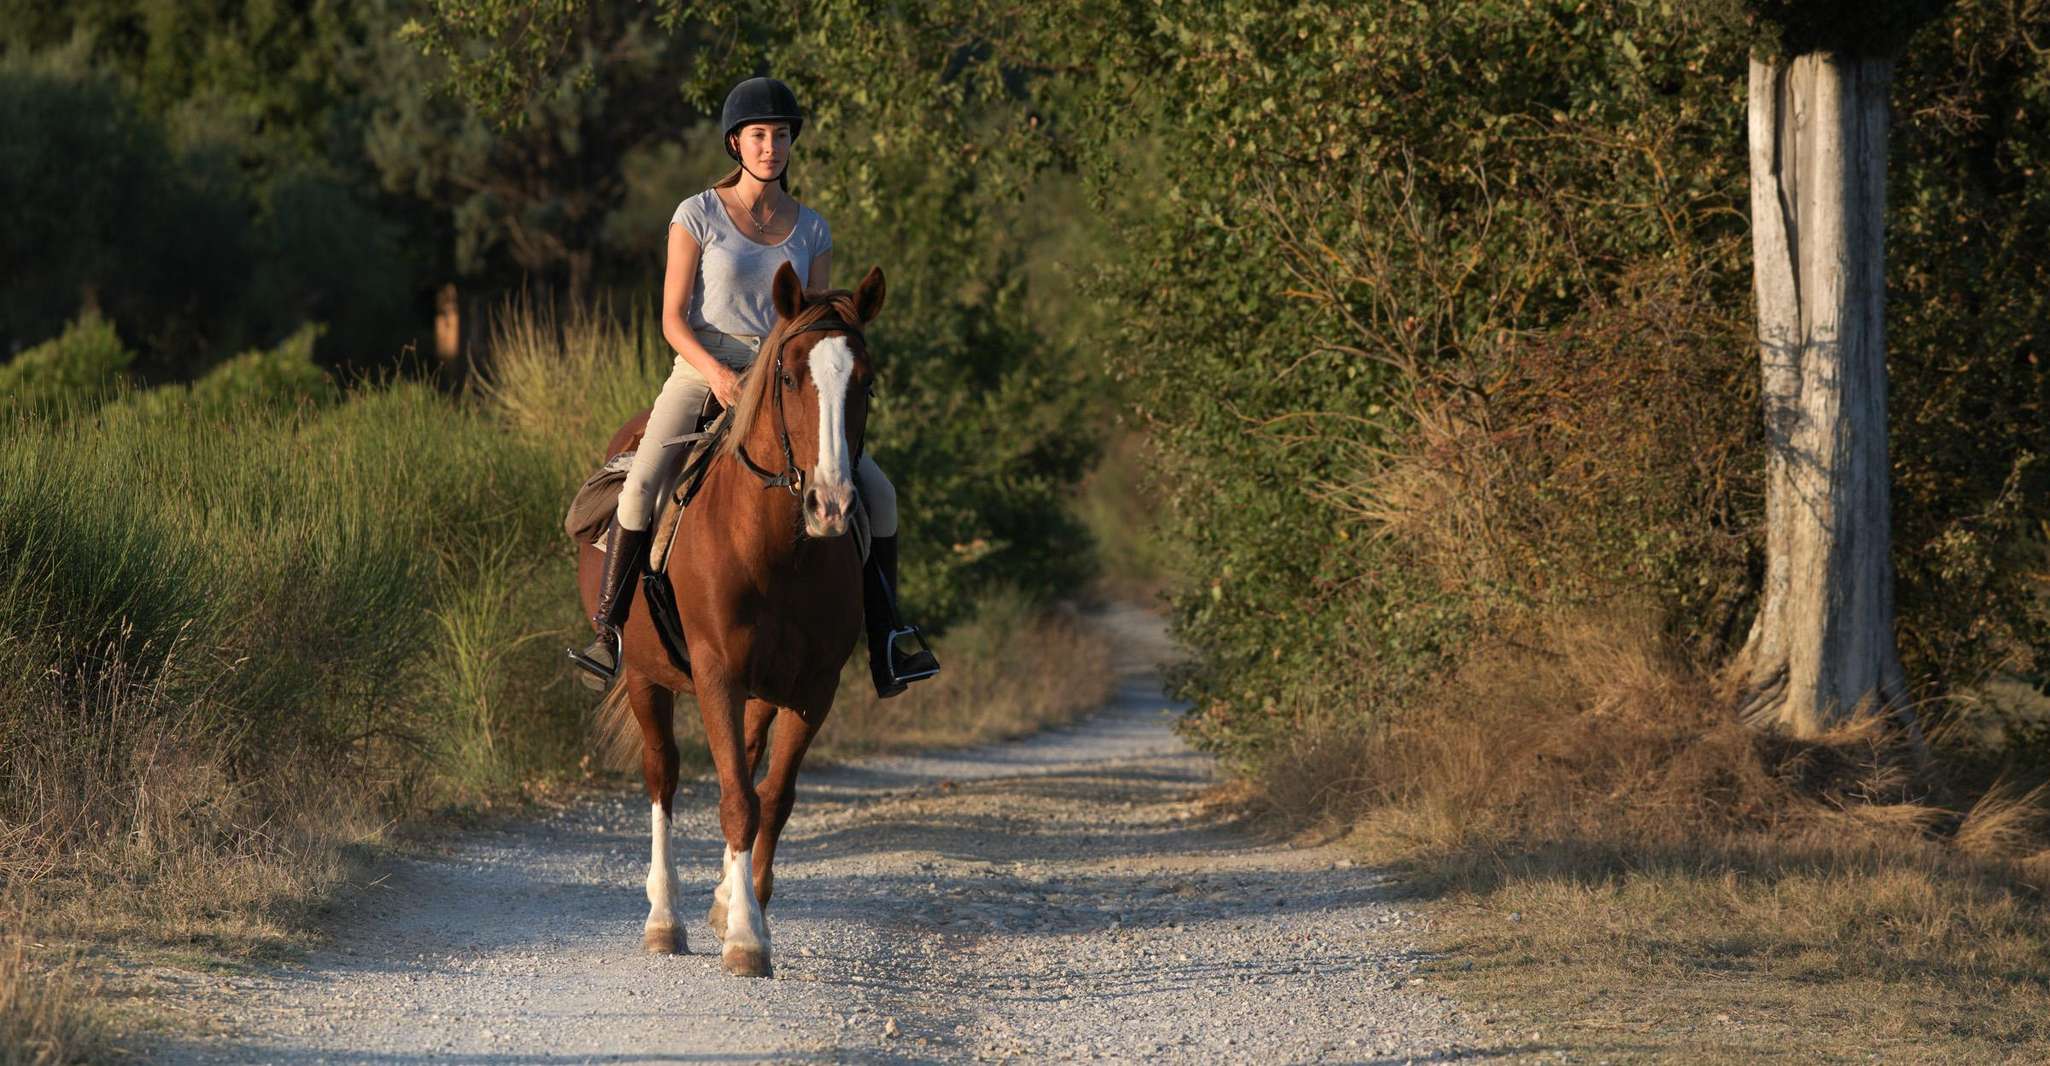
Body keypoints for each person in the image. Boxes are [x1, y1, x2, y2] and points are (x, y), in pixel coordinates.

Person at [571, 76, 939, 698]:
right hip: (703, 369)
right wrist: (716, 374)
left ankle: (887, 638)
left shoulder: (812, 228)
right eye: (760, 135)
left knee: (879, 494)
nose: (772, 146)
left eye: (782, 135)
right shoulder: (697, 215)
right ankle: (608, 634)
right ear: (735, 144)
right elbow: (671, 317)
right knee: (639, 489)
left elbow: (816, 322)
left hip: (784, 380)